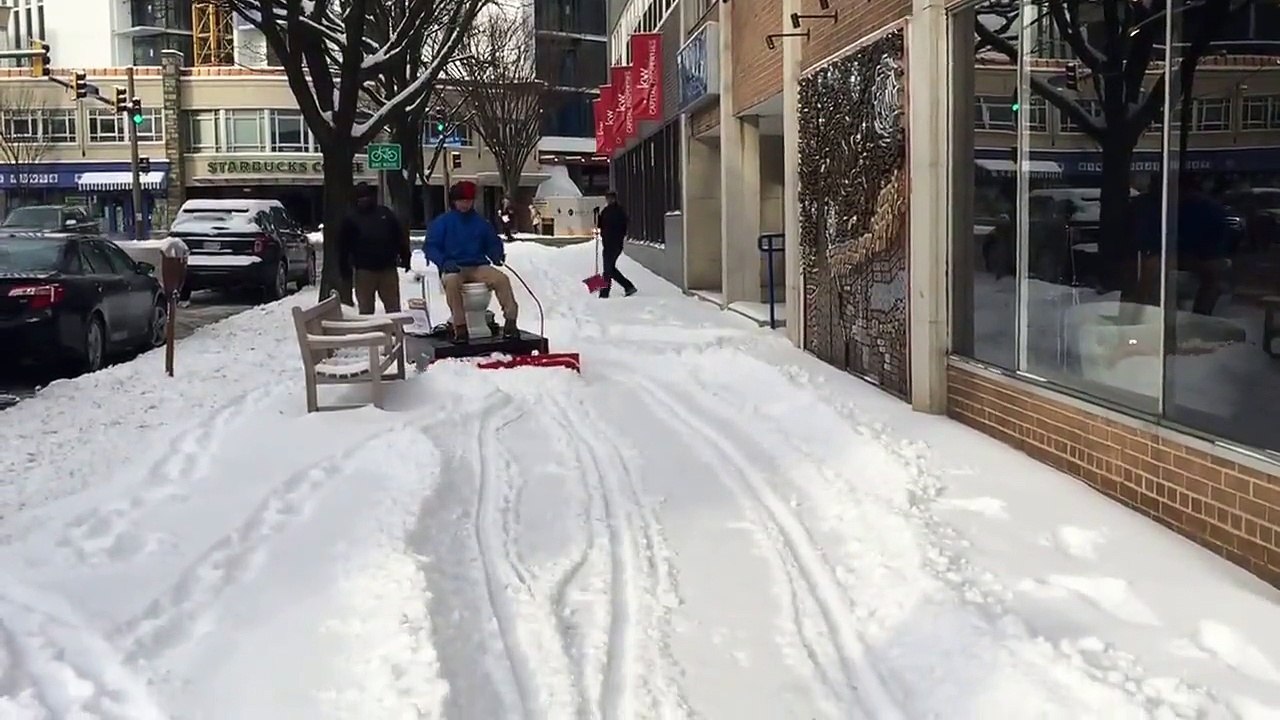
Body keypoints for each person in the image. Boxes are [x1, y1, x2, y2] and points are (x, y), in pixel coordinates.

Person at [425, 180, 520, 344]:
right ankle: (460, 326)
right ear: (454, 201)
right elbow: (431, 246)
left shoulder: (480, 223)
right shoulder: (443, 222)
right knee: (452, 282)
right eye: (462, 201)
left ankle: (511, 321)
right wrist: (443, 262)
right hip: (454, 266)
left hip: (477, 266)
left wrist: (496, 254)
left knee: (501, 279)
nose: (465, 204)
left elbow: (492, 242)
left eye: (468, 201)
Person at [340, 182, 409, 314]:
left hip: (387, 268)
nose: (364, 200)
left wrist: (405, 255)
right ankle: (370, 332)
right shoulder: (351, 219)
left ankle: (396, 332)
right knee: (366, 309)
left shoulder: (385, 214)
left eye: (366, 196)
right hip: (364, 270)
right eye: (360, 198)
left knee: (393, 308)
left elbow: (398, 236)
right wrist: (344, 267)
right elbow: (344, 245)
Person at [595, 191, 637, 298]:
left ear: (614, 199)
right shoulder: (606, 211)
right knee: (610, 269)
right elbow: (600, 225)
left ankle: (604, 293)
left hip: (615, 244)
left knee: (607, 269)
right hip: (607, 244)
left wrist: (617, 236)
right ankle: (628, 286)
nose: (609, 200)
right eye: (607, 198)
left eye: (610, 198)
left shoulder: (619, 211)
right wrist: (597, 216)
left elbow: (623, 226)